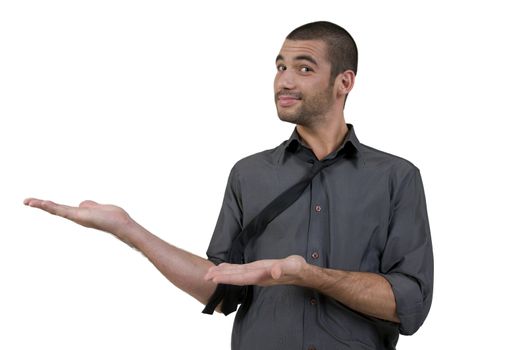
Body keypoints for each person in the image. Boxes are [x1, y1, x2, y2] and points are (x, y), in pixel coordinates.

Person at [24, 21, 433, 350]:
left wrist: (309, 275)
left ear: (344, 82)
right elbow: (220, 289)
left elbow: (409, 303)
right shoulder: (248, 174)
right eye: (280, 66)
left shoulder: (396, 177)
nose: (284, 81)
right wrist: (128, 229)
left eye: (304, 68)